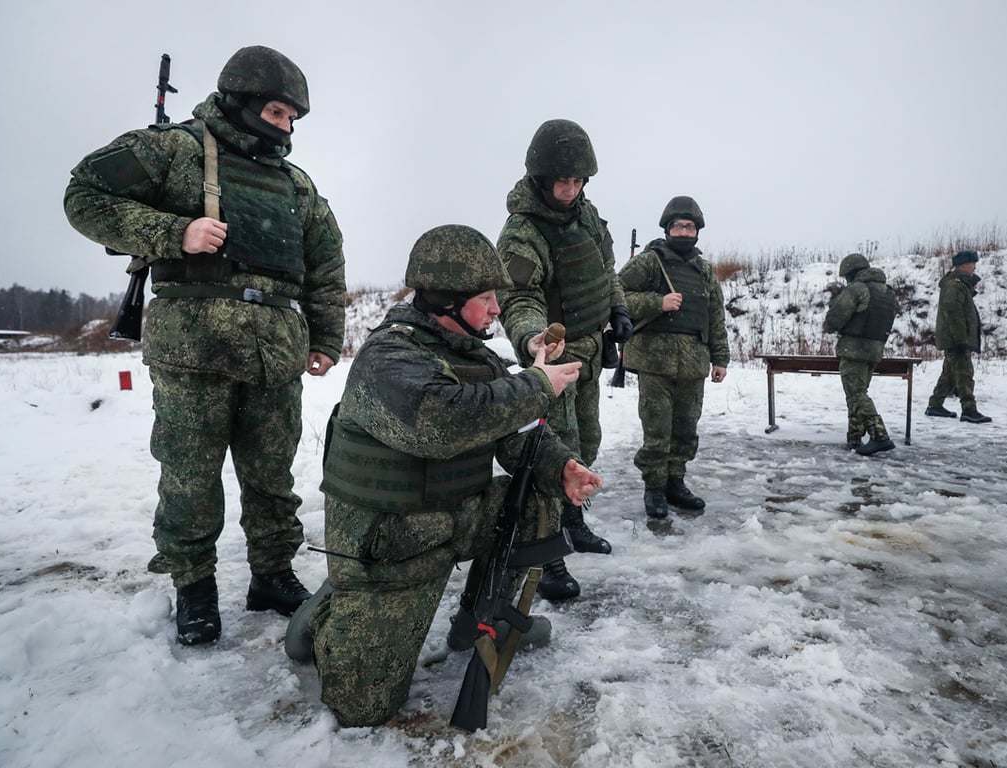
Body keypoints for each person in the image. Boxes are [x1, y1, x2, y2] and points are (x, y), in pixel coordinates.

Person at [63, 46, 347, 646]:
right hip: (194, 349)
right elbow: (84, 195)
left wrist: (324, 336)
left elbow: (324, 264)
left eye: (293, 117)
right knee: (190, 475)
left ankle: (272, 574)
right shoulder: (176, 149)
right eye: (276, 111)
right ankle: (193, 585)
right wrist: (174, 232)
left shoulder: (296, 184)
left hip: (275, 351)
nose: (286, 127)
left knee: (272, 474)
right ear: (242, 101)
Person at [297, 225, 601, 727]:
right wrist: (535, 386)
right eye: (485, 298)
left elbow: (515, 431)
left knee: (533, 496)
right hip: (392, 543)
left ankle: (478, 622)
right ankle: (332, 612)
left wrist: (561, 466)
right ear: (445, 301)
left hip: (458, 515)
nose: (497, 309)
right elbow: (441, 423)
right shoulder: (389, 357)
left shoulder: (476, 356)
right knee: (361, 709)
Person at [495, 119, 632, 600]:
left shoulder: (587, 215)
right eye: (562, 182)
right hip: (553, 357)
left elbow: (606, 269)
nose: (570, 191)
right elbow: (518, 297)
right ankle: (545, 552)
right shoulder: (523, 232)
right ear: (540, 179)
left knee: (586, 440)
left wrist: (617, 308)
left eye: (578, 182)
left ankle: (573, 519)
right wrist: (535, 340)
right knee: (553, 451)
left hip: (591, 350)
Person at [618, 197, 729, 517]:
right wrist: (657, 302)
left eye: (689, 226)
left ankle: (675, 482)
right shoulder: (650, 262)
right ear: (668, 228)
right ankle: (654, 487)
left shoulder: (704, 270)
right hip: (656, 361)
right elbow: (615, 293)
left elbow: (714, 317)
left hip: (694, 362)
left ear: (697, 231)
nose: (684, 231)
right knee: (657, 429)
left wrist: (720, 358)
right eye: (678, 225)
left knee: (685, 428)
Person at [822, 252, 900, 456]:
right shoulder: (886, 291)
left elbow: (834, 319)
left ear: (850, 273)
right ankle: (854, 436)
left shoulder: (857, 288)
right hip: (875, 350)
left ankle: (879, 435)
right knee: (857, 394)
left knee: (856, 394)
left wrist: (832, 321)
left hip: (854, 349)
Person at [925, 250, 991, 423]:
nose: (974, 266)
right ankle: (969, 409)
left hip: (955, 338)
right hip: (956, 339)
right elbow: (952, 312)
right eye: (972, 263)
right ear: (963, 264)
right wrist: (961, 338)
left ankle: (935, 405)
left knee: (949, 373)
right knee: (964, 373)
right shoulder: (955, 285)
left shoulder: (959, 284)